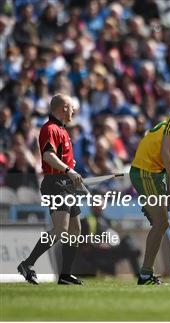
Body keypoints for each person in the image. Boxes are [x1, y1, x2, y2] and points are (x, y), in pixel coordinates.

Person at [17, 94, 84, 285]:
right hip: (56, 183)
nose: (74, 111)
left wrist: (70, 167)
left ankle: (65, 275)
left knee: (75, 229)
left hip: (66, 184)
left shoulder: (62, 130)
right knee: (61, 229)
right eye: (71, 107)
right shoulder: (50, 128)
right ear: (63, 108)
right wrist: (68, 169)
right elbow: (48, 156)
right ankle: (27, 264)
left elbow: (59, 158)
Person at [130, 110, 170, 285]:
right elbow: (168, 157)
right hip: (147, 172)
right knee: (162, 223)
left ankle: (146, 273)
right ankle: (145, 274)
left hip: (152, 171)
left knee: (162, 223)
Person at [72, 195, 141, 277]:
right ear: (91, 205)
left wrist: (111, 243)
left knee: (129, 239)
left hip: (110, 251)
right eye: (96, 203)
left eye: (100, 203)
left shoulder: (107, 221)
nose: (98, 205)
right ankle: (134, 252)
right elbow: (82, 240)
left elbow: (113, 236)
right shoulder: (86, 221)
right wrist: (99, 244)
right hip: (96, 253)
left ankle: (138, 272)